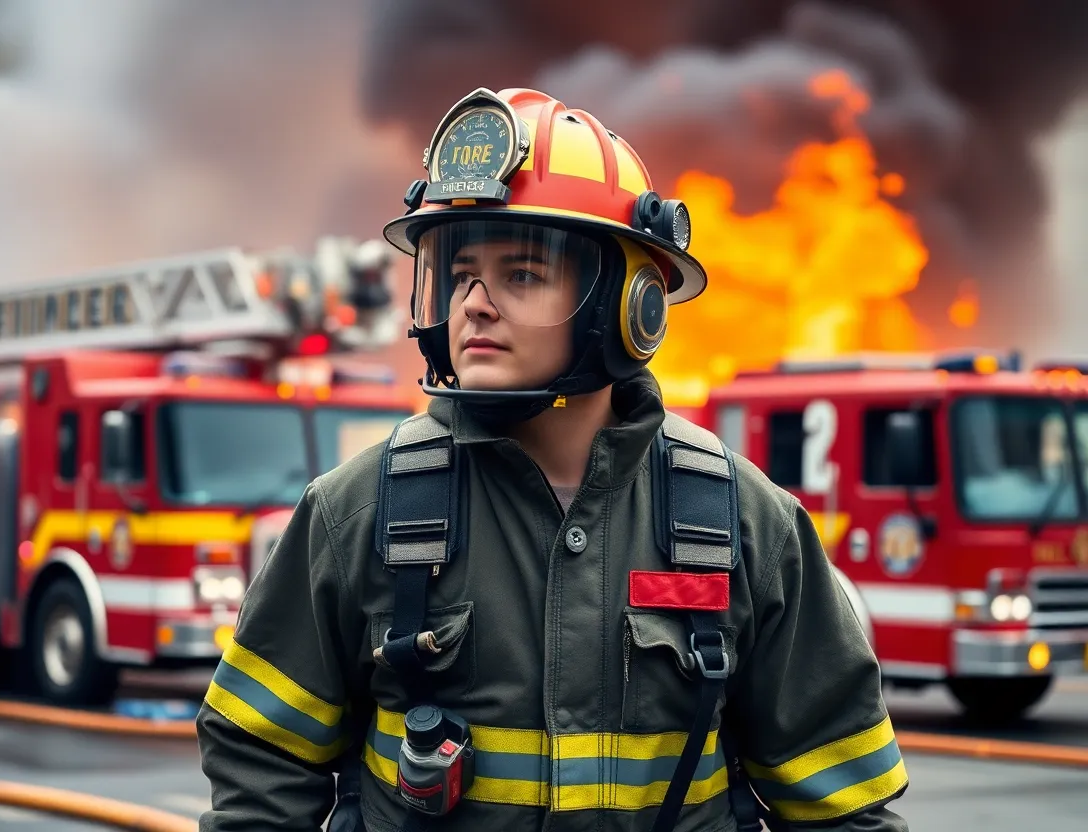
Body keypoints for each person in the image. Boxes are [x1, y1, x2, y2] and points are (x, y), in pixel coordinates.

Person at [196, 87, 909, 832]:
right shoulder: (355, 515)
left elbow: (842, 809)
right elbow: (260, 771)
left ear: (630, 304)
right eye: (460, 269)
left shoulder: (745, 527)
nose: (474, 301)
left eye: (522, 274)